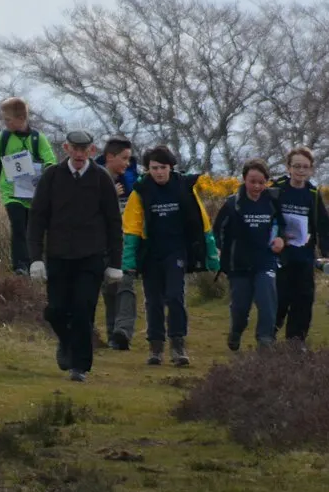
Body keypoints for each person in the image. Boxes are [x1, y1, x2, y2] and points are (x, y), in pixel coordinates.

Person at [27, 130, 123, 382]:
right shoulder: (52, 177)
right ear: (66, 149)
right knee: (56, 310)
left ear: (92, 151)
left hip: (91, 257)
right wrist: (36, 257)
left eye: (85, 150)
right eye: (75, 149)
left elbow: (114, 224)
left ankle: (79, 366)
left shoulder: (102, 180)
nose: (79, 154)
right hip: (58, 256)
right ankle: (67, 342)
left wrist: (115, 264)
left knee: (83, 309)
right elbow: (37, 219)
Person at [121, 146, 217, 366]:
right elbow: (132, 226)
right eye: (154, 168)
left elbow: (202, 221)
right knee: (153, 301)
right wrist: (129, 260)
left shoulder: (183, 187)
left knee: (175, 296)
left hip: (176, 251)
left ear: (170, 167)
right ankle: (155, 347)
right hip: (151, 254)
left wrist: (210, 253)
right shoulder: (141, 190)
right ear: (148, 169)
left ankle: (177, 344)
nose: (159, 172)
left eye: (162, 167)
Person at [0, 97, 57, 276]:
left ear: (21, 118)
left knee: (32, 228)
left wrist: (46, 177)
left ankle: (34, 263)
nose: (5, 123)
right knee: (18, 225)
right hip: (10, 191)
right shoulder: (3, 138)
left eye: (8, 120)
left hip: (33, 193)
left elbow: (50, 161)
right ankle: (20, 265)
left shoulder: (38, 138)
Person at [212, 159, 284, 350]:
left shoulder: (273, 202)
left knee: (267, 299)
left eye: (261, 182)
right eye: (252, 181)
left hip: (265, 261)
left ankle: (265, 339)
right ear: (244, 179)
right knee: (240, 308)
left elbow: (282, 226)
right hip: (239, 264)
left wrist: (281, 239)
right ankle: (236, 331)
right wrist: (218, 251)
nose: (257, 186)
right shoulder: (232, 204)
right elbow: (217, 230)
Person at [275, 147, 329, 345]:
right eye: (296, 166)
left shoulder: (312, 193)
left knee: (303, 300)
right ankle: (267, 338)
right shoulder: (276, 189)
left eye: (305, 167)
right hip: (279, 256)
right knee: (279, 300)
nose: (301, 171)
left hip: (304, 257)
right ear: (288, 167)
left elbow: (324, 225)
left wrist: (327, 253)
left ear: (311, 170)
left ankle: (296, 342)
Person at [96, 135, 138, 349]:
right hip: (99, 242)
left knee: (126, 283)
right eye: (124, 158)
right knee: (109, 288)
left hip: (126, 240)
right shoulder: (94, 178)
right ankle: (113, 333)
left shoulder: (131, 180)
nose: (127, 163)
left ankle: (122, 332)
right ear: (109, 157)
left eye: (129, 159)